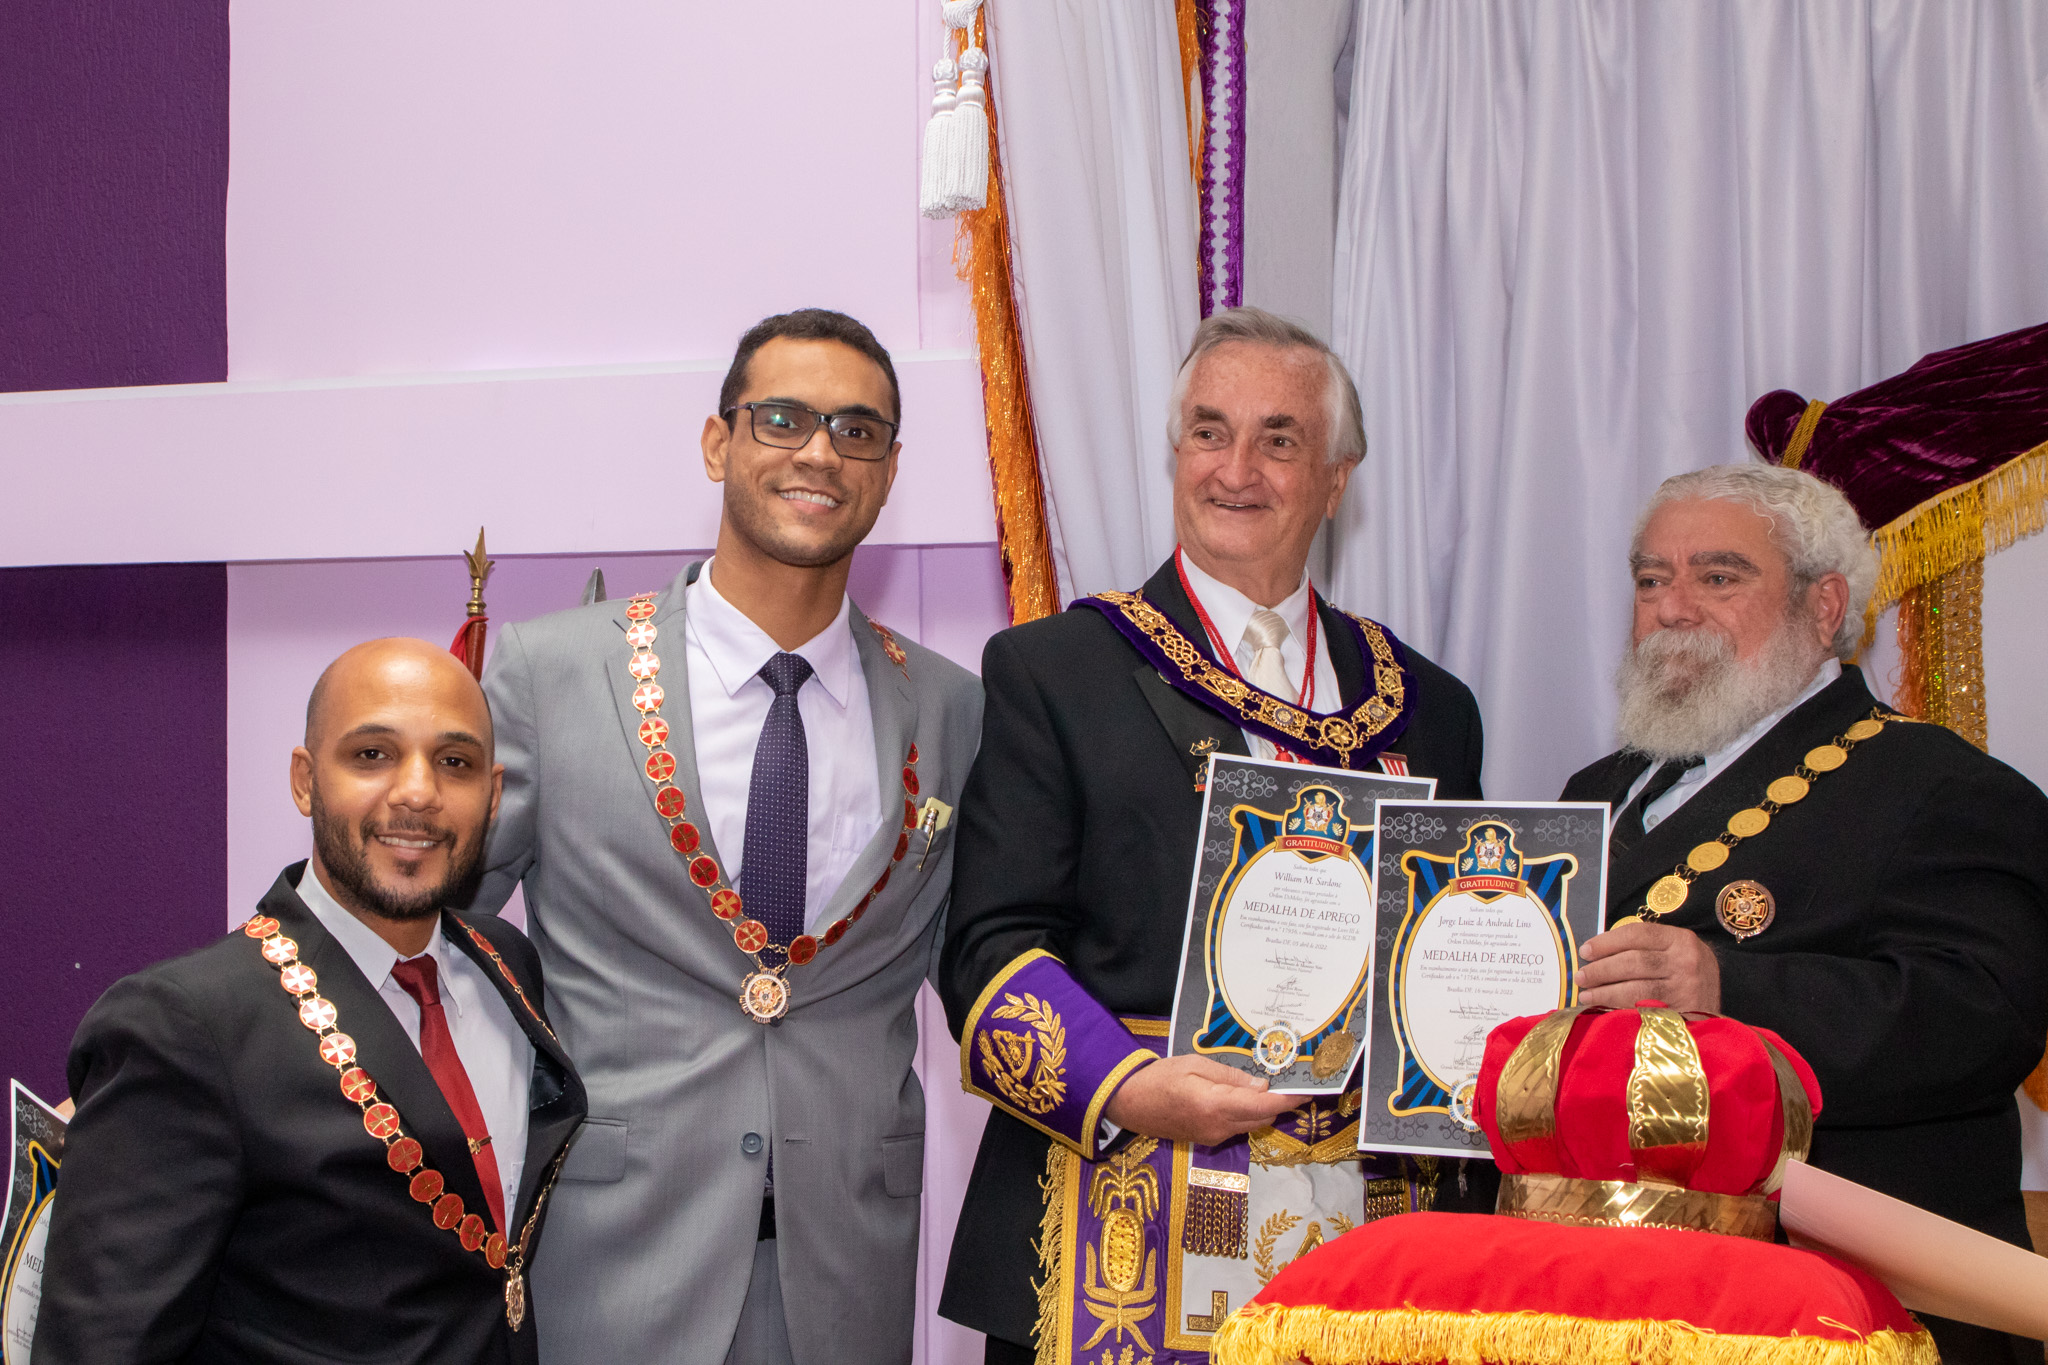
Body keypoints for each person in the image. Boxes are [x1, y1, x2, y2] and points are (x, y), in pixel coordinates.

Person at [938, 307, 1488, 1364]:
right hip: (1121, 1197)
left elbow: (1450, 966)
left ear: (1335, 478)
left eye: (1279, 439)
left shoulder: (1430, 705)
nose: (1235, 468)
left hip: (1371, 1235)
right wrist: (1133, 1089)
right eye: (1206, 431)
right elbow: (988, 948)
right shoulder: (1056, 670)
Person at [470, 308, 982, 1365]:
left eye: (856, 430)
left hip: (847, 1269)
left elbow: (981, 958)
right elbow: (436, 939)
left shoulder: (951, 710)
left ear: (887, 470)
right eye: (783, 419)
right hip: (612, 1263)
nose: (818, 453)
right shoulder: (552, 675)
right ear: (719, 443)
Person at [1564, 462, 2048, 1365]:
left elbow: (1985, 1016)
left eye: (1718, 576)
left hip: (1848, 1314)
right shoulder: (1594, 792)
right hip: (1624, 1287)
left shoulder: (1943, 785)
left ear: (1824, 606)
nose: (1672, 608)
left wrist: (1727, 984)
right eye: (1650, 579)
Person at [34, 638, 586, 1365]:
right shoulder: (184, 1024)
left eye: (454, 762)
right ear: (304, 779)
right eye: (372, 755)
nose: (417, 791)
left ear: (492, 793)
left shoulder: (505, 964)